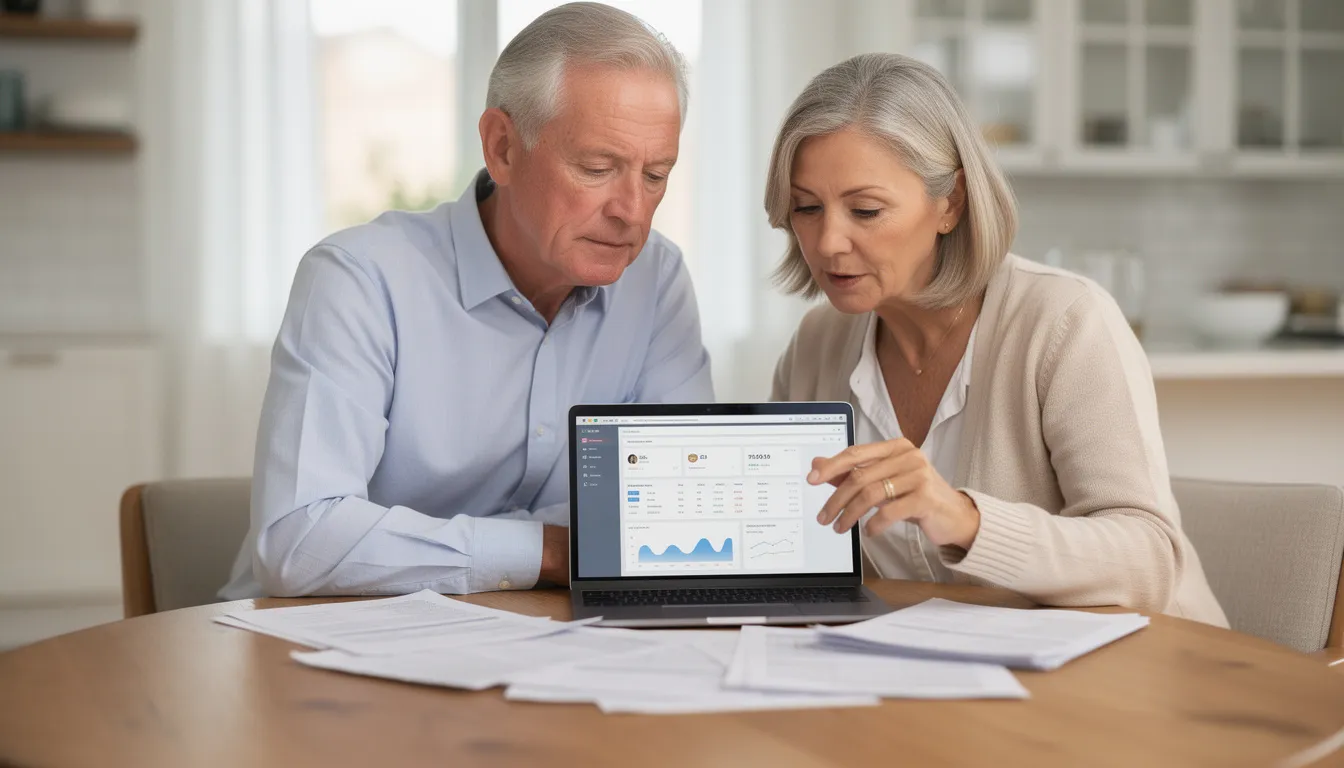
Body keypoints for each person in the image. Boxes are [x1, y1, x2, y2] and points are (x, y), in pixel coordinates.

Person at [219, 3, 712, 600]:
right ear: (502, 147)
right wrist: (556, 548)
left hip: (539, 640)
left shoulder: (656, 280)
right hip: (318, 646)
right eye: (597, 167)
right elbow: (300, 541)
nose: (632, 210)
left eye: (656, 175)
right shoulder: (359, 279)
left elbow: (681, 513)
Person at [767, 53, 1226, 625]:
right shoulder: (816, 347)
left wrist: (963, 518)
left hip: (1138, 675)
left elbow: (1149, 562)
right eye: (807, 207)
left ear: (950, 203)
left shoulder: (1064, 324)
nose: (829, 241)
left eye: (865, 210)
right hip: (946, 677)